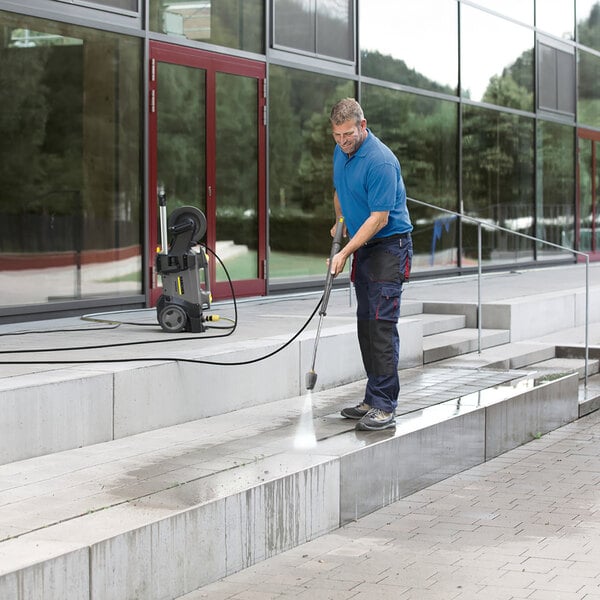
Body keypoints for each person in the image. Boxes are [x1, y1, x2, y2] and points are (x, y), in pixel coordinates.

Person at [328, 98, 413, 431]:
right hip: (365, 247)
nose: (342, 141)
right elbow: (339, 190)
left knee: (380, 325)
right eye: (336, 135)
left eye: (348, 134)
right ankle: (372, 397)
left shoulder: (381, 161)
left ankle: (384, 405)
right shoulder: (342, 153)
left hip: (390, 249)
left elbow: (379, 218)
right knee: (366, 324)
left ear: (363, 125)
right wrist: (341, 221)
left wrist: (344, 251)